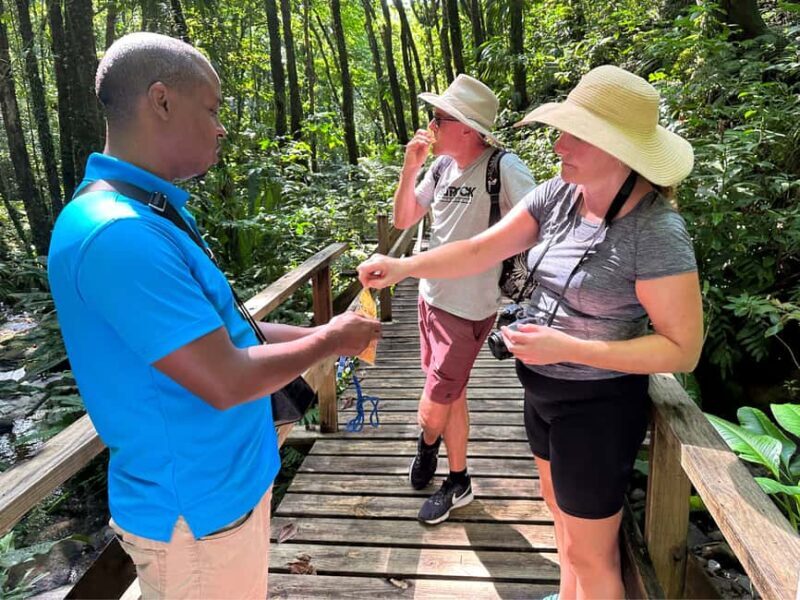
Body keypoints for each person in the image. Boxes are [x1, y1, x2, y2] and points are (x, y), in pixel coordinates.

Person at [47, 32, 380, 599]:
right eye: (212, 108)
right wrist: (329, 341)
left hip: (222, 491)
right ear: (161, 101)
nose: (221, 125)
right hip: (197, 511)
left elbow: (226, 334)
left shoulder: (147, 209)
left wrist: (331, 334)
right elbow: (224, 379)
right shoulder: (120, 232)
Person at [359, 65, 703, 599]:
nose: (558, 143)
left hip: (596, 405)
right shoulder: (558, 197)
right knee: (562, 529)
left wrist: (567, 346)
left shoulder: (654, 231)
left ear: (614, 148)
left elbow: (683, 349)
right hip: (541, 392)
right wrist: (404, 269)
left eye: (573, 134)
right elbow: (479, 249)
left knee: (594, 559)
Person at [393, 74, 536, 525]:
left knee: (435, 404)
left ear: (468, 129)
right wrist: (410, 166)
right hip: (429, 297)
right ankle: (459, 480)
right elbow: (402, 219)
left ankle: (426, 444)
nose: (430, 127)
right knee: (452, 396)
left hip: (470, 309)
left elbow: (543, 225)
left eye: (439, 119)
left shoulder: (503, 168)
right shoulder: (440, 168)